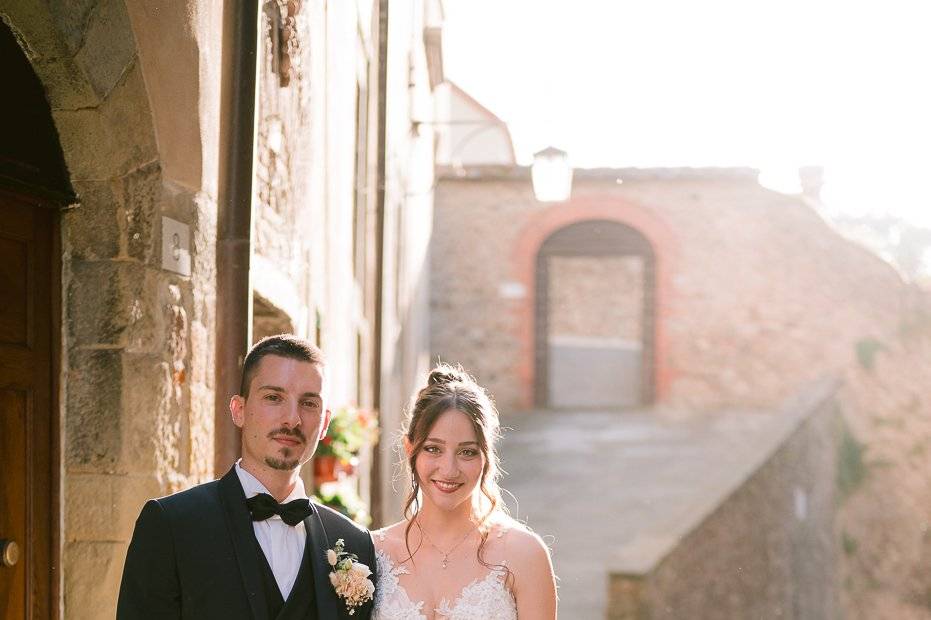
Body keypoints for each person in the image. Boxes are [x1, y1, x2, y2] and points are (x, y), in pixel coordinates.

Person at [117, 334, 377, 619]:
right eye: (274, 398)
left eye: (309, 403)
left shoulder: (354, 543)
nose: (292, 418)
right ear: (239, 410)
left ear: (324, 423)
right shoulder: (171, 524)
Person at [371, 364, 557, 619]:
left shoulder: (524, 554)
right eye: (433, 449)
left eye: (467, 452)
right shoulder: (372, 554)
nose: (449, 470)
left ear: (486, 456)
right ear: (409, 448)